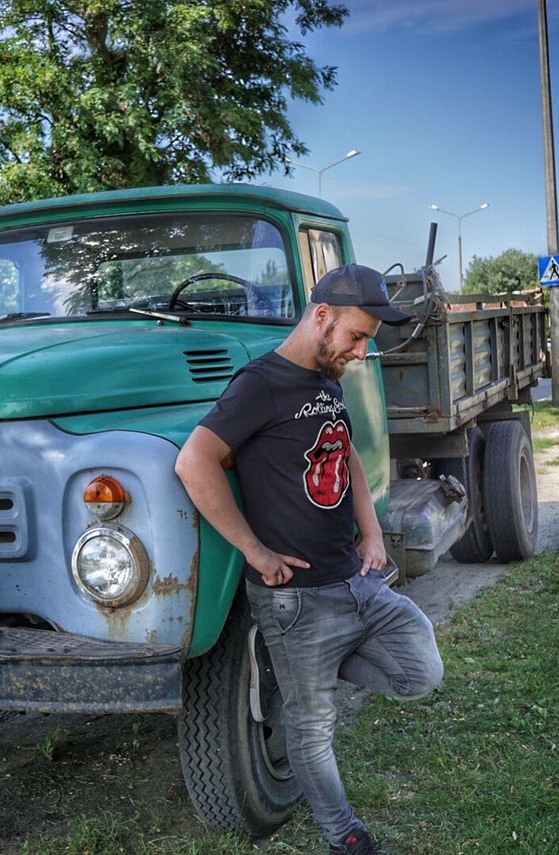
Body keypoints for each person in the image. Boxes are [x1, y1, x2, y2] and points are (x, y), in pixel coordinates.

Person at [175, 264, 445, 855]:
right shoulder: (259, 384)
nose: (361, 349)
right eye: (356, 335)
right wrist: (255, 551)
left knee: (421, 671)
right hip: (295, 598)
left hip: (355, 580)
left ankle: (307, 669)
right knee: (312, 729)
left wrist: (371, 532)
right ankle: (344, 835)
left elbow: (342, 449)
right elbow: (195, 461)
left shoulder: (327, 380)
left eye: (367, 339)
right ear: (321, 316)